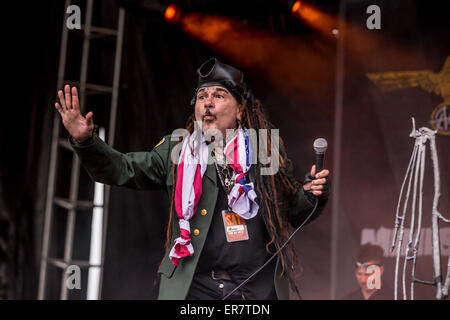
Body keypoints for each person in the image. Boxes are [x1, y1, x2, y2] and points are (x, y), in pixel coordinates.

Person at [54, 57, 330, 300]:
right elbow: (122, 169)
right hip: (196, 287)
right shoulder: (178, 148)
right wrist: (86, 141)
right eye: (202, 96)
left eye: (219, 95)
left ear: (240, 110)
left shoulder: (265, 148)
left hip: (254, 287)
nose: (208, 102)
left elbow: (292, 213)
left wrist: (311, 194)